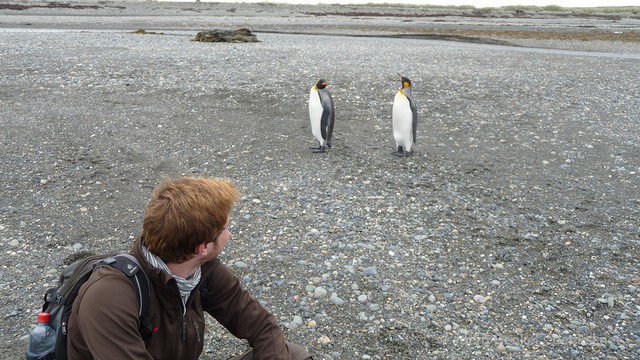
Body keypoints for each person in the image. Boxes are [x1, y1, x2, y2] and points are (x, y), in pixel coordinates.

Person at [67, 177, 311, 359]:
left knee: (293, 355)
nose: (230, 231)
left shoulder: (202, 270)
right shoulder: (110, 297)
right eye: (226, 227)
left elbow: (262, 327)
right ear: (202, 247)